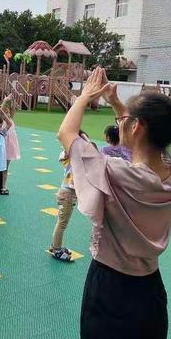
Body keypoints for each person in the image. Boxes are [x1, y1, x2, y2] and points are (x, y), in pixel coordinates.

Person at [57, 67, 171, 339]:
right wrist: (120, 106)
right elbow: (141, 142)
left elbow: (67, 134)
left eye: (126, 120)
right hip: (150, 291)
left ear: (137, 126)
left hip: (110, 289)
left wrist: (85, 95)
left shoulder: (116, 172)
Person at [49, 130, 91, 262]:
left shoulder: (81, 157)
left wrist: (84, 139)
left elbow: (91, 151)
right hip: (66, 193)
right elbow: (67, 151)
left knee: (62, 222)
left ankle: (55, 245)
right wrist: (75, 139)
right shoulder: (69, 154)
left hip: (70, 193)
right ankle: (56, 250)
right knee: (62, 223)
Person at [1, 96, 20, 195]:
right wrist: (4, 101)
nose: (7, 113)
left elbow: (13, 110)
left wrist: (12, 100)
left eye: (8, 112)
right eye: (5, 112)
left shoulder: (11, 119)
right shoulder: (1, 122)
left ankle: (3, 186)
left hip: (9, 147)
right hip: (2, 147)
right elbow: (0, 112)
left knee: (5, 167)